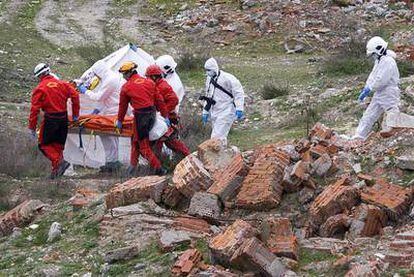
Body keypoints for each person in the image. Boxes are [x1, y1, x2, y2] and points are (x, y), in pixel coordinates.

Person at [115, 61, 167, 176]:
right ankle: (133, 167)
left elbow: (122, 107)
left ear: (129, 73)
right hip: (151, 114)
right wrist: (165, 115)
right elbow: (159, 100)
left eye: (124, 74)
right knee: (135, 140)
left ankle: (159, 169)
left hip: (141, 117)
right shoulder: (149, 82)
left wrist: (119, 120)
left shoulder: (126, 87)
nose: (123, 77)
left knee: (143, 146)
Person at [29, 63, 80, 178]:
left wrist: (31, 127)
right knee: (57, 146)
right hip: (63, 118)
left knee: (43, 145)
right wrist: (76, 114)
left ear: (40, 75)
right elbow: (75, 96)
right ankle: (56, 172)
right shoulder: (63, 84)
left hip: (50, 119)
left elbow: (34, 110)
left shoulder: (40, 88)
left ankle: (59, 163)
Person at [77, 60, 124, 172]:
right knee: (111, 139)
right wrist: (97, 110)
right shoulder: (111, 77)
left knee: (108, 137)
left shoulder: (110, 80)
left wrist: (85, 92)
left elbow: (99, 97)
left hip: (114, 112)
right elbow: (106, 98)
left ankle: (111, 163)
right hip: (112, 110)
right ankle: (111, 162)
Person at [354, 36, 400, 141]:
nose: (373, 57)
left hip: (389, 91)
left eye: (373, 54)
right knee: (369, 115)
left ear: (379, 50)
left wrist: (370, 88)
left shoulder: (388, 61)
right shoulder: (379, 61)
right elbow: (373, 76)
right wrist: (366, 87)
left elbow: (381, 80)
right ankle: (359, 136)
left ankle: (394, 133)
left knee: (392, 111)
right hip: (380, 92)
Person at [145, 65, 191, 158]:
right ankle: (186, 157)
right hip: (163, 118)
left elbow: (174, 100)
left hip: (167, 118)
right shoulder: (158, 85)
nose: (147, 79)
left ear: (154, 77)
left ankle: (188, 157)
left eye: (148, 77)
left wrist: (163, 112)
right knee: (165, 141)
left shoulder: (163, 86)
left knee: (168, 142)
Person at [201, 57, 245, 145]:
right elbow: (208, 95)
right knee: (220, 137)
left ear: (214, 69)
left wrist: (239, 108)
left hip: (226, 110)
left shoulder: (228, 78)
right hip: (215, 111)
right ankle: (224, 155)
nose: (207, 72)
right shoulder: (209, 80)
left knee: (216, 138)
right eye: (206, 70)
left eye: (209, 70)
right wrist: (205, 111)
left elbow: (238, 92)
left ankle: (216, 157)